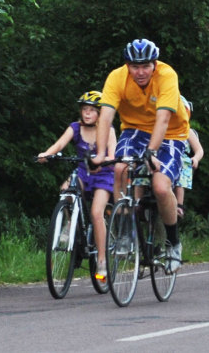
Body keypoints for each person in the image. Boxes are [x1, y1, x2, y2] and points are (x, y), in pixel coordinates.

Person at [91, 39, 189, 273]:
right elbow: (105, 117)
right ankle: (125, 232)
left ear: (154, 64)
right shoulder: (117, 77)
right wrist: (101, 153)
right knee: (119, 169)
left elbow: (164, 119)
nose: (140, 72)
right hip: (134, 129)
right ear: (127, 66)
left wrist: (151, 152)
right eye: (135, 67)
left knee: (161, 187)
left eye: (145, 66)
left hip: (171, 134)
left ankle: (173, 243)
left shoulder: (167, 76)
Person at [37, 90, 117, 282]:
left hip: (103, 175)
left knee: (97, 213)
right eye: (84, 110)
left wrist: (102, 161)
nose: (87, 113)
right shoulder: (74, 128)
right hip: (83, 172)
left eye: (91, 110)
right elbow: (59, 145)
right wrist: (46, 154)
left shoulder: (109, 129)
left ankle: (102, 261)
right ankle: (69, 225)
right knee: (65, 190)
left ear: (100, 113)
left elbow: (113, 156)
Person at [174, 95, 204, 218]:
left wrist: (195, 158)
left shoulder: (187, 131)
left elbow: (199, 150)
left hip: (180, 159)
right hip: (161, 159)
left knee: (184, 163)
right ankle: (139, 201)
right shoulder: (160, 128)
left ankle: (179, 205)